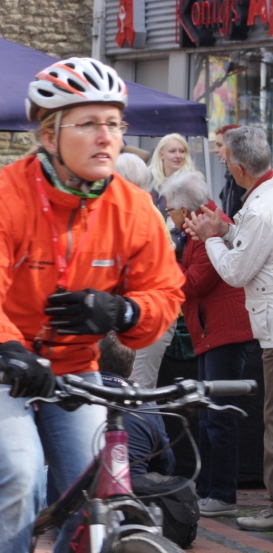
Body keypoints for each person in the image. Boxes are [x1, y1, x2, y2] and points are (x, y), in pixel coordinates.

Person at [0, 57, 184, 553]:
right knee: (21, 471)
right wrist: (6, 348)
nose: (106, 137)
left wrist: (124, 313)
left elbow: (166, 292)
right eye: (89, 123)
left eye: (114, 124)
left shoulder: (133, 208)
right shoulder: (2, 198)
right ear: (49, 134)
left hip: (72, 369)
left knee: (99, 495)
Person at [184, 125, 273, 532]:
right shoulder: (261, 203)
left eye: (224, 160)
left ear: (238, 168)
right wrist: (225, 231)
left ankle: (265, 504)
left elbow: (236, 272)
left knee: (268, 420)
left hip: (261, 329)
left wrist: (212, 238)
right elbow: (254, 247)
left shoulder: (260, 207)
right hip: (259, 327)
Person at [164, 171, 255, 517]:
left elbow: (194, 283)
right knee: (207, 414)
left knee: (218, 416)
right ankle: (207, 489)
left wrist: (164, 263)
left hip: (225, 333)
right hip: (211, 332)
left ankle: (223, 495)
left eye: (171, 209)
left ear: (186, 210)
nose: (169, 214)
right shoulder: (198, 228)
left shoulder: (210, 228)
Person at [112, 153, 178, 389]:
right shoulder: (131, 212)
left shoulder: (143, 215)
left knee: (138, 390)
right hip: (134, 310)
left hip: (148, 313)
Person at [97, 332, 175, 479]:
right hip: (136, 489)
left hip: (78, 489)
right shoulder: (148, 404)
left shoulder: (75, 396)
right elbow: (166, 465)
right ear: (132, 368)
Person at [148, 132, 196, 218]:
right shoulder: (150, 179)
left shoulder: (191, 183)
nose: (178, 156)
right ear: (161, 155)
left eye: (182, 151)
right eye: (172, 151)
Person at [213, 124, 247, 219]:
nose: (215, 150)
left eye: (220, 145)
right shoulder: (230, 177)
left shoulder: (244, 177)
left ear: (232, 147)